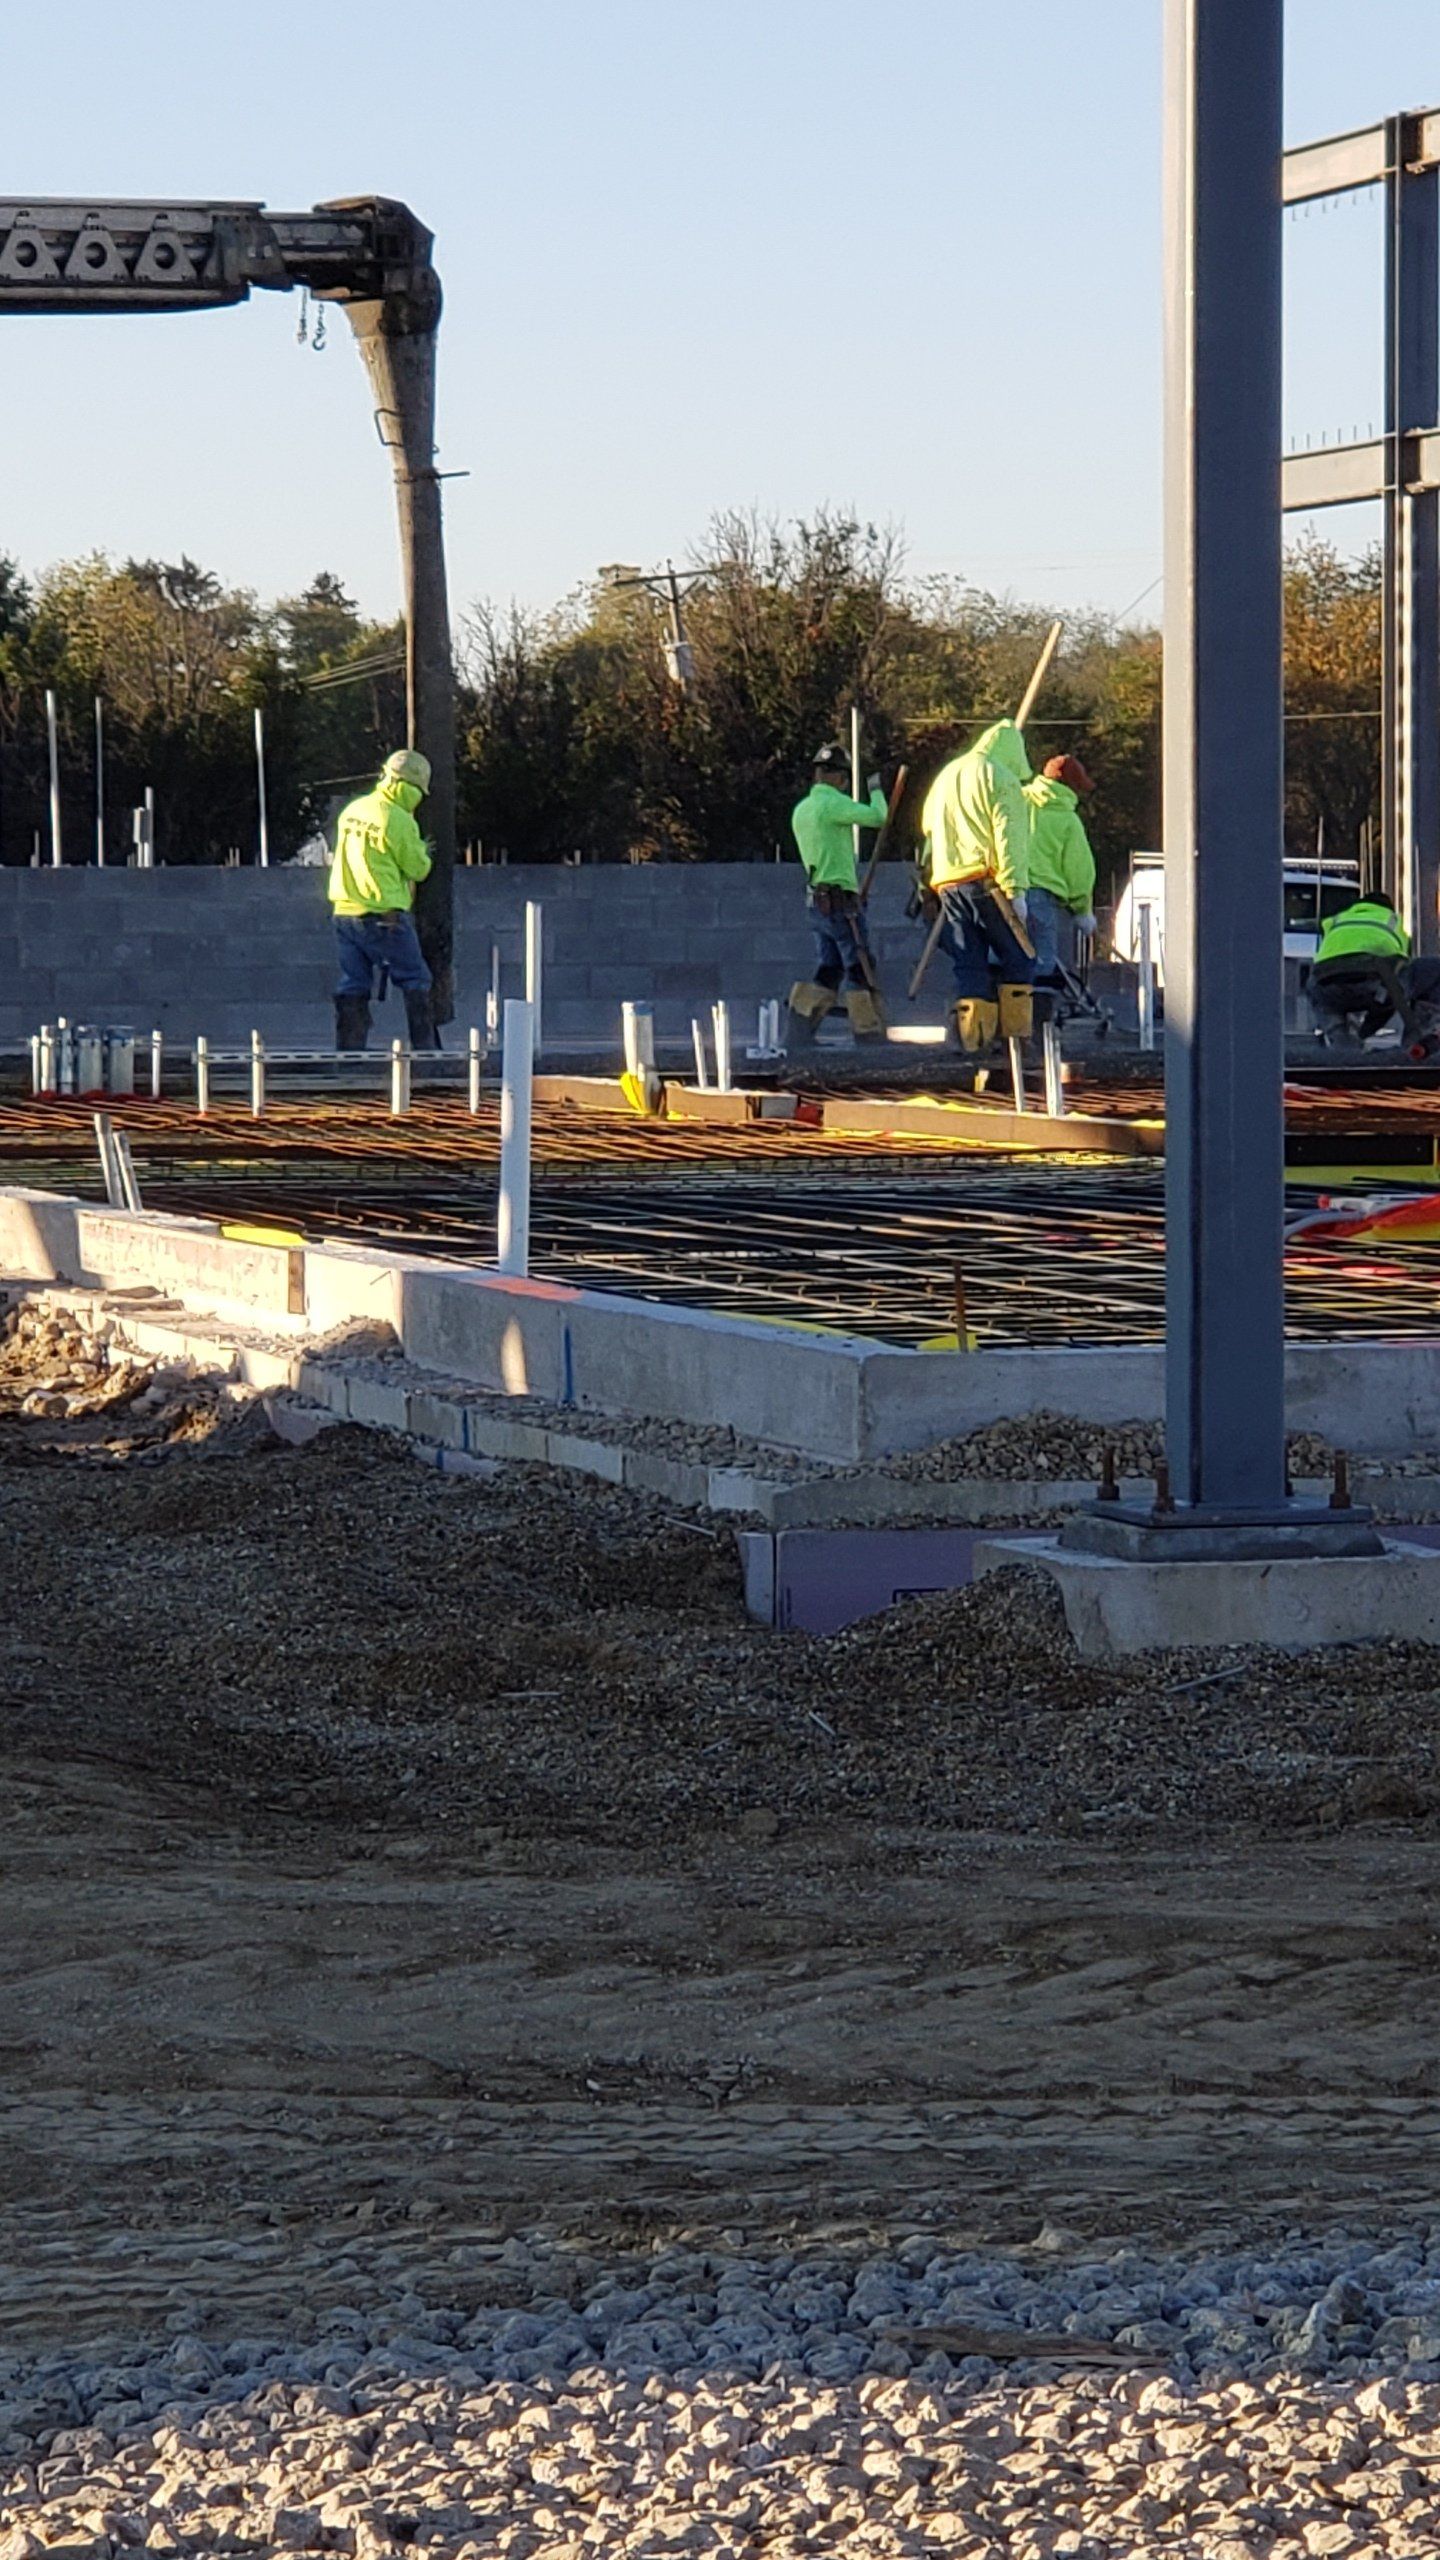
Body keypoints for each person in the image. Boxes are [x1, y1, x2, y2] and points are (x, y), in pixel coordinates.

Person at [920, 718, 1035, 1053]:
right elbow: (1009, 836)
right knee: (1019, 957)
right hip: (988, 883)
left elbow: (929, 827)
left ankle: (974, 1041)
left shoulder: (946, 775)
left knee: (969, 962)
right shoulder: (1001, 777)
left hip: (948, 882)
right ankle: (1015, 1042)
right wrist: (1015, 889)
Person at [328, 749, 435, 1051]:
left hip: (344, 913)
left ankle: (349, 1056)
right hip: (384, 916)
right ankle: (427, 1054)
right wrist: (424, 852)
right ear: (411, 787)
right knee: (416, 978)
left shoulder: (353, 810)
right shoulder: (399, 819)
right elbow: (418, 869)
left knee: (353, 982)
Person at [787, 744, 888, 1045]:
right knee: (859, 963)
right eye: (844, 777)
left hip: (817, 901)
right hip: (840, 902)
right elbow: (878, 817)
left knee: (830, 967)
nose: (845, 784)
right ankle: (867, 1032)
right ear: (834, 776)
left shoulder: (802, 809)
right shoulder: (832, 804)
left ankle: (800, 1028)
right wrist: (876, 791)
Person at [1308, 892, 1440, 1045]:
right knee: (1427, 972)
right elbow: (1401, 962)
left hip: (1326, 986)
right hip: (1374, 985)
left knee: (1317, 988)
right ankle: (1418, 1041)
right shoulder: (1392, 920)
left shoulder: (1336, 920)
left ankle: (1339, 1037)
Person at [1023, 754, 1098, 999]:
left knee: (1004, 962)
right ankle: (1036, 1020)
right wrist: (1083, 911)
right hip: (1040, 898)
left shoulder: (1018, 800)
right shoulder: (1067, 820)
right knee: (1042, 967)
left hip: (1002, 891)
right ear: (1071, 787)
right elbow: (1079, 871)